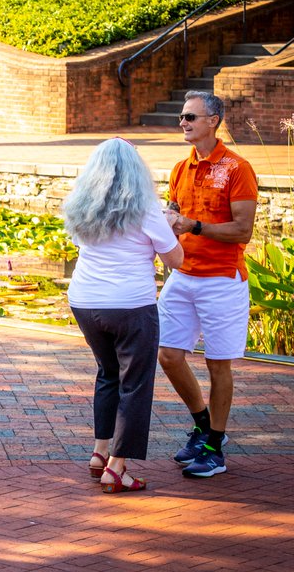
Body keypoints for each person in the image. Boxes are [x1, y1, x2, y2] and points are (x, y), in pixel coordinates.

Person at [63, 139, 184, 494]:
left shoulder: (82, 204)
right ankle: (117, 468)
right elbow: (174, 260)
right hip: (130, 304)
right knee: (136, 383)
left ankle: (100, 451)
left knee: (108, 373)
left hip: (85, 301)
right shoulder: (147, 208)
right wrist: (171, 226)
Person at [158, 91, 258, 479]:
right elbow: (175, 212)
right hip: (183, 275)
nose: (183, 122)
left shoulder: (237, 168)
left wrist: (193, 226)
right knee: (168, 355)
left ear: (213, 120)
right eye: (181, 117)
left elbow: (242, 230)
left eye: (190, 117)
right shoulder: (181, 168)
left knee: (218, 364)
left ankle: (215, 448)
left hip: (221, 280)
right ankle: (203, 423)